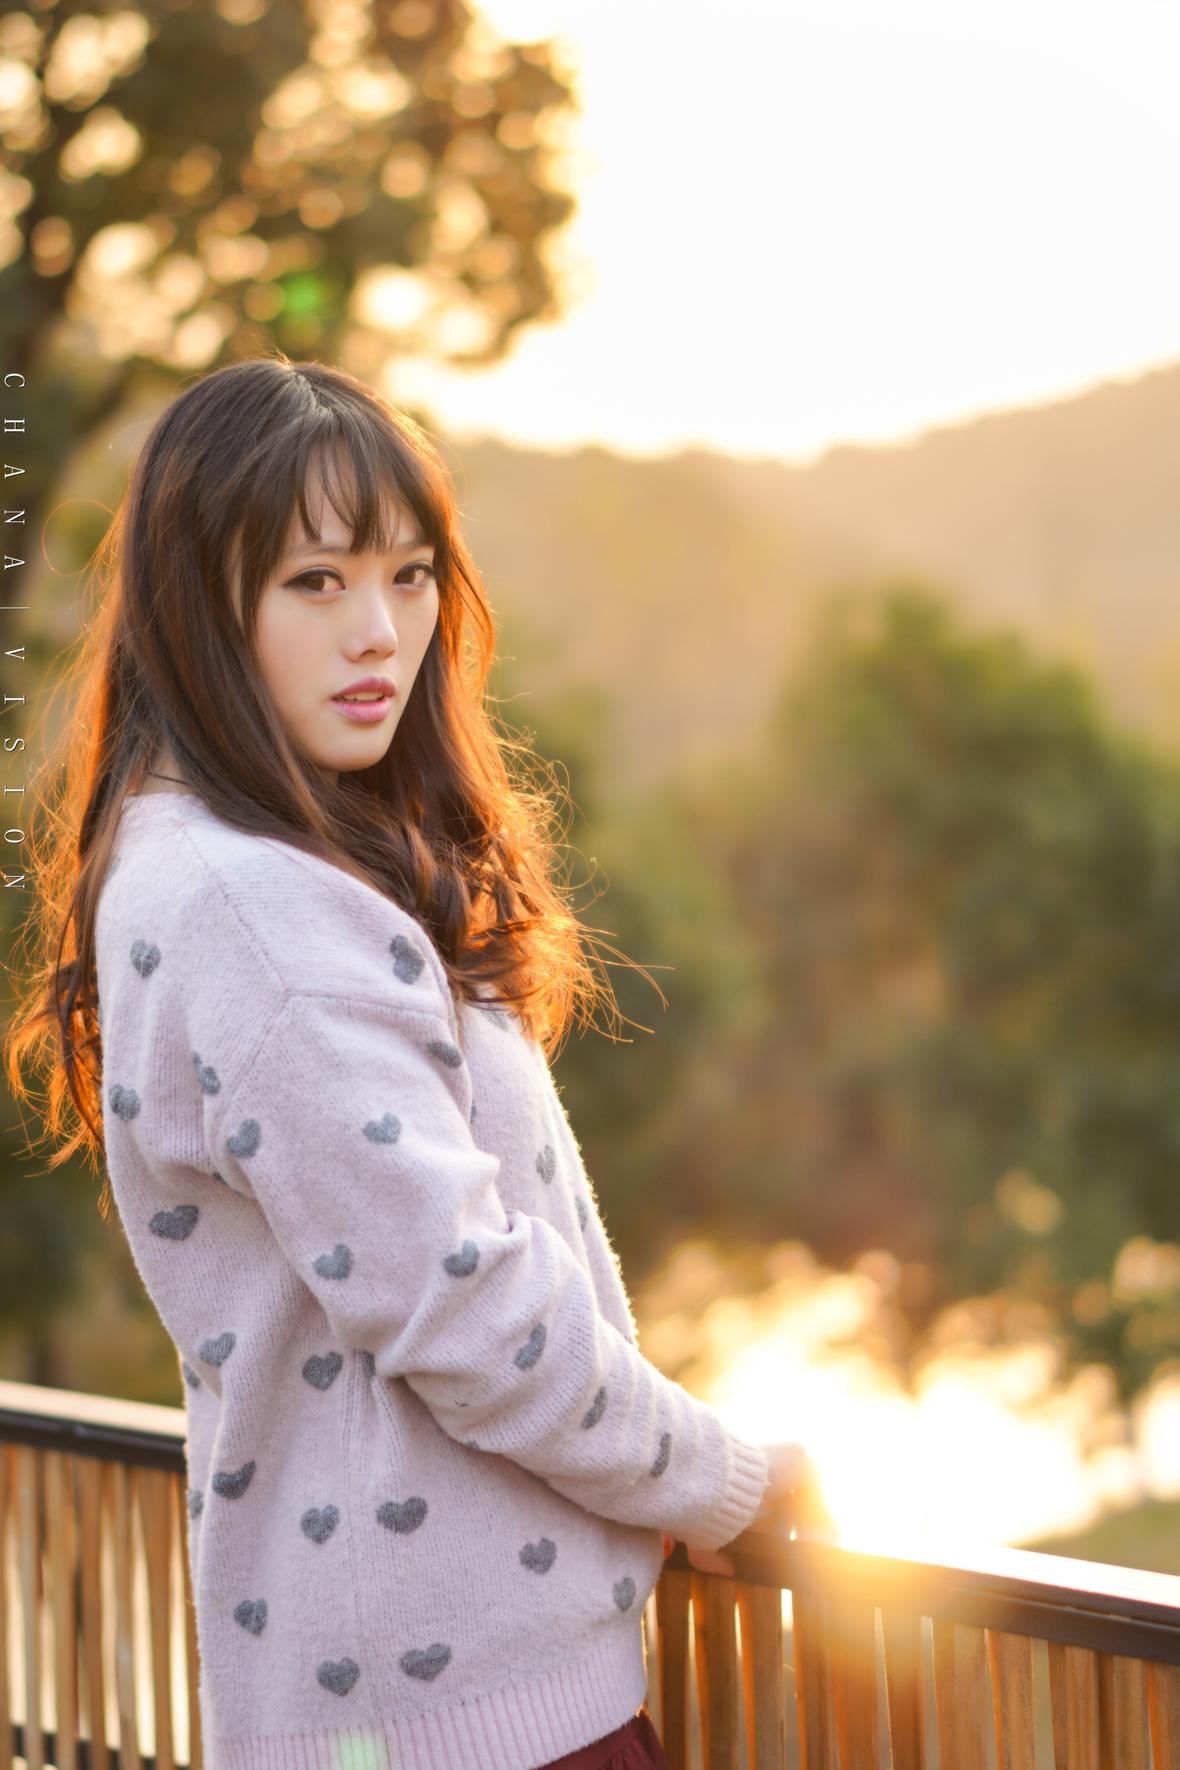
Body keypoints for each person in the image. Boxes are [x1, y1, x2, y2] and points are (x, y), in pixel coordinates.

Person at [4, 354, 823, 1770]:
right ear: (203, 610)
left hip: (416, 1702)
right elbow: (467, 1306)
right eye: (314, 582)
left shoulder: (224, 858)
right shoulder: (256, 908)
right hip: (458, 1725)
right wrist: (728, 1481)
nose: (378, 632)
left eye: (408, 575)